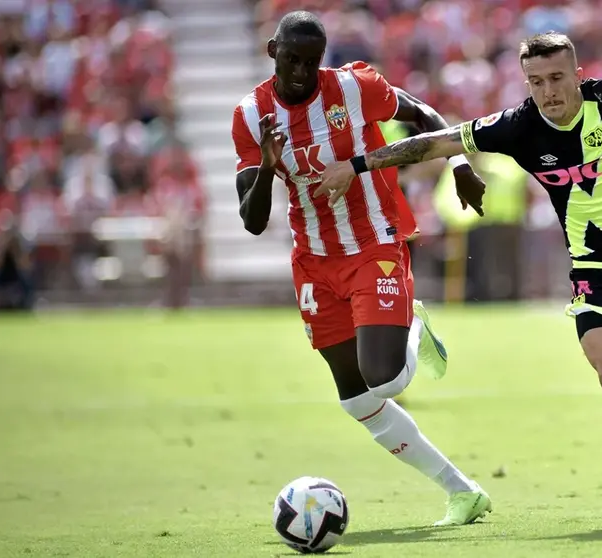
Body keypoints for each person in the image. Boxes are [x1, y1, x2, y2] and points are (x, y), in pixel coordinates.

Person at [313, 31, 602, 528]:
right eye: (536, 82)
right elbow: (437, 142)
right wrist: (357, 165)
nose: (548, 91)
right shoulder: (518, 127)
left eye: (557, 78)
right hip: (598, 274)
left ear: (577, 75)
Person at [231, 11, 491, 526]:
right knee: (355, 399)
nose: (301, 72)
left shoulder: (353, 87)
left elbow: (424, 113)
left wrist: (459, 163)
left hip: (374, 242)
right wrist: (266, 166)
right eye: (291, 60)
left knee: (385, 380)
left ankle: (412, 326)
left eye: (311, 62)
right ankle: (463, 493)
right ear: (272, 52)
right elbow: (253, 221)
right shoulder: (251, 115)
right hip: (314, 261)